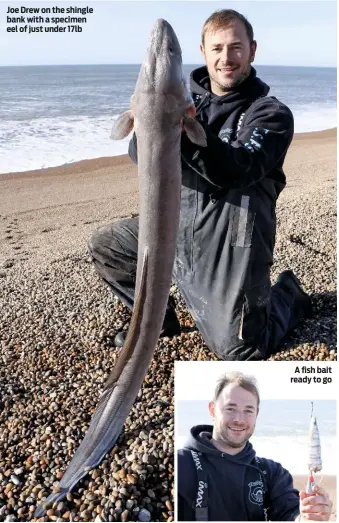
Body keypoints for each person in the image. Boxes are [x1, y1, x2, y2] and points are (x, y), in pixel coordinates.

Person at [88, 9, 311, 360]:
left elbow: (240, 168)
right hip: (177, 227)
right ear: (204, 52)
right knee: (108, 245)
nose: (226, 58)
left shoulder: (270, 114)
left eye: (236, 47)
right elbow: (139, 156)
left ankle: (288, 296)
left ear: (252, 50)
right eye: (217, 48)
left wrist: (182, 128)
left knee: (240, 351)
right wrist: (148, 118)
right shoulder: (184, 101)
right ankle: (157, 318)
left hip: (231, 241)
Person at [177, 372, 333, 521]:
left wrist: (308, 517)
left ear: (256, 414)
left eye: (248, 411)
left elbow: (291, 515)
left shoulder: (272, 473)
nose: (239, 419)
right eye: (230, 409)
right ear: (212, 410)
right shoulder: (181, 463)